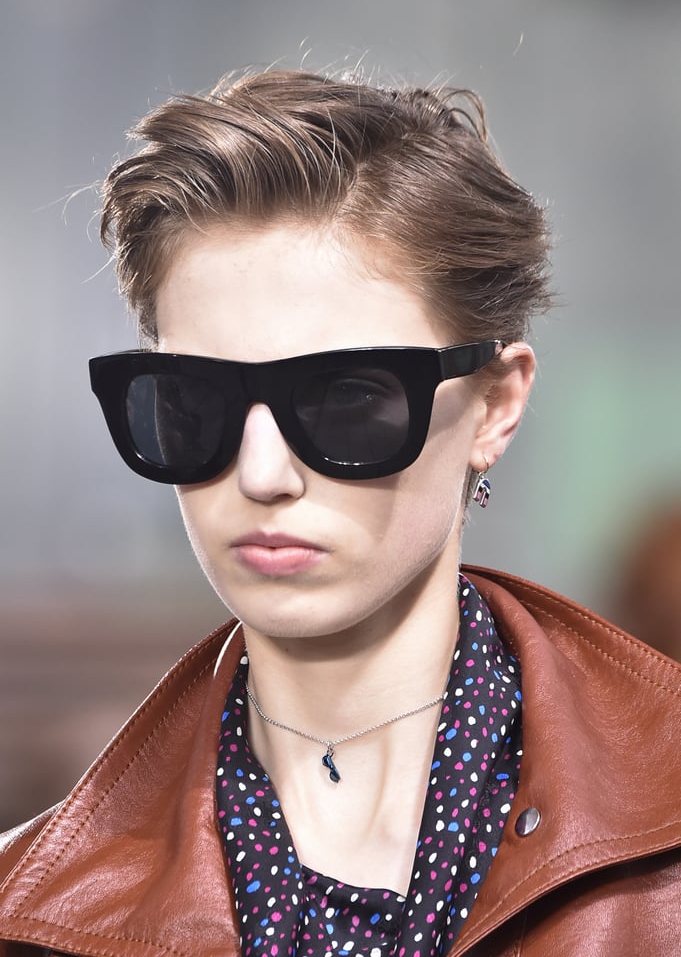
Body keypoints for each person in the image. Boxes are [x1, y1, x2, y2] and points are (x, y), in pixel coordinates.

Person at [0, 69, 680, 957]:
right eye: (194, 401)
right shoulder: (30, 906)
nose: (261, 472)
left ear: (494, 404)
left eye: (347, 397)